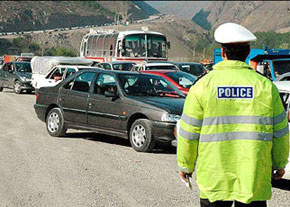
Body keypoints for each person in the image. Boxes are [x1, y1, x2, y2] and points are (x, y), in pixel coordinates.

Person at [177, 22, 289, 207]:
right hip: (253, 179)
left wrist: (185, 165)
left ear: (222, 53)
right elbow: (280, 131)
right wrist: (279, 163)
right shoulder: (265, 87)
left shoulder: (202, 86)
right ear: (248, 52)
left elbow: (189, 133)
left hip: (214, 180)